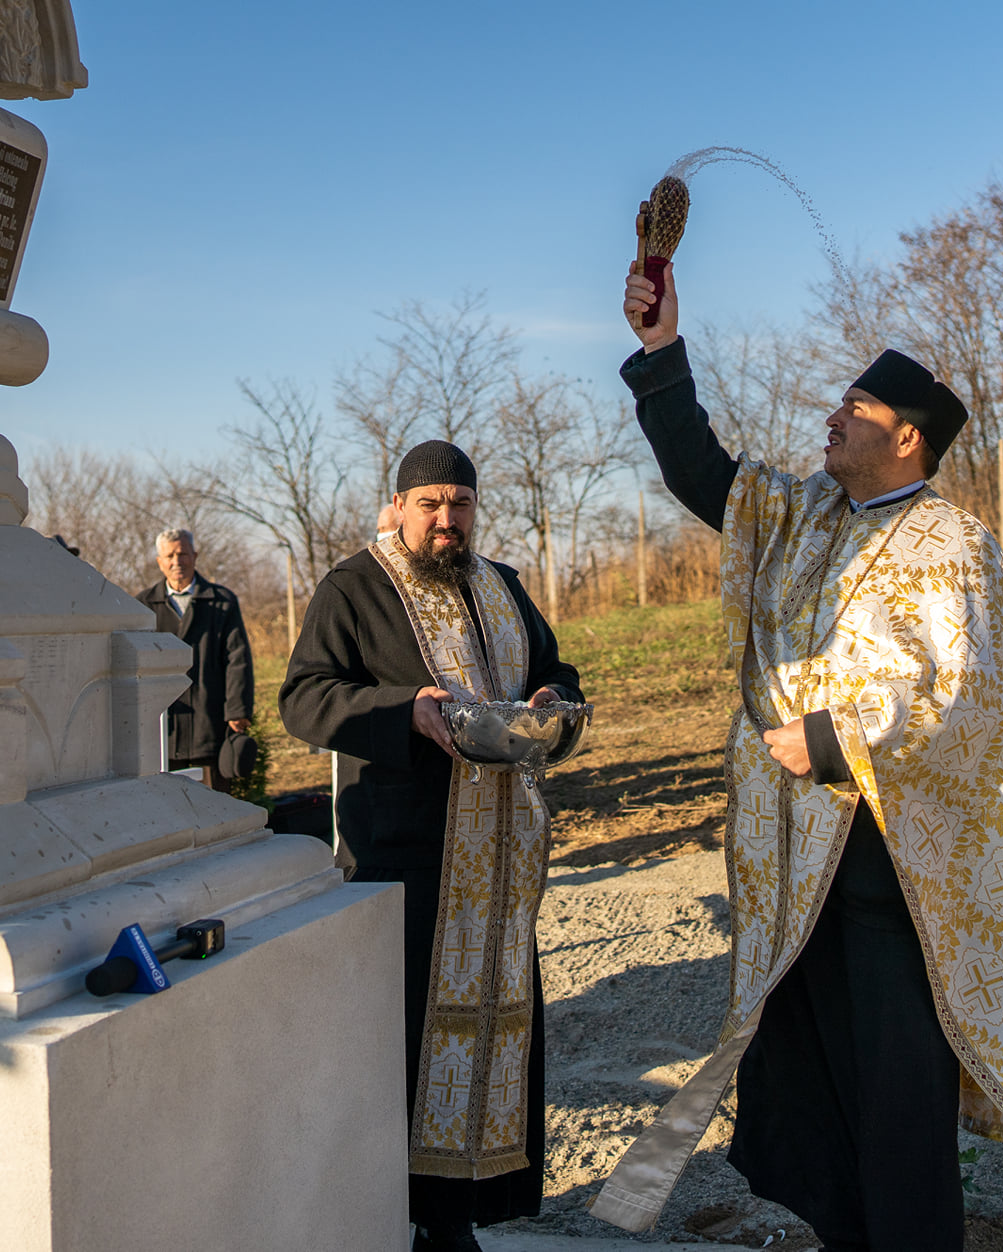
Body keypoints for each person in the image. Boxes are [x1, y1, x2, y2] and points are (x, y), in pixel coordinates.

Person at [589, 264, 1003, 1251]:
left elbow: (969, 696)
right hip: (795, 874)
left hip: (898, 879)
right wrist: (660, 351)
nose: (831, 418)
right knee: (814, 1098)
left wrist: (835, 738)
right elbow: (703, 473)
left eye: (855, 407)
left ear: (907, 436)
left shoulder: (955, 545)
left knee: (899, 1110)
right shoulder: (801, 516)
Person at [279, 440, 583, 1252]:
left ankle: (456, 1223)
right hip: (405, 859)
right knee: (405, 1048)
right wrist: (405, 711)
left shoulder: (502, 585)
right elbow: (304, 698)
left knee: (491, 1039)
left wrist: (552, 698)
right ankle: (393, 1218)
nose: (446, 519)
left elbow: (557, 670)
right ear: (399, 506)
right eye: (430, 504)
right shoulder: (354, 587)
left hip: (501, 858)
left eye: (461, 504)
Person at [137, 528, 253, 792]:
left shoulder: (222, 601)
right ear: (159, 562)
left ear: (195, 556)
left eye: (182, 554)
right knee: (166, 799)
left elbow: (238, 658)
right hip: (163, 725)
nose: (176, 561)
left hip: (209, 718)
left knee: (214, 800)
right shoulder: (144, 605)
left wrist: (238, 710)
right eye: (169, 556)